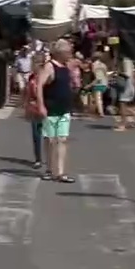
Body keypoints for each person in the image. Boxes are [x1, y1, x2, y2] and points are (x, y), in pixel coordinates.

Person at [34, 39, 76, 183]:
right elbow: (39, 86)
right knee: (51, 140)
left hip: (64, 108)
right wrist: (41, 105)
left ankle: (61, 172)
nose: (70, 54)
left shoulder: (66, 66)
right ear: (60, 53)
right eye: (68, 52)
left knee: (63, 139)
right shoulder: (49, 67)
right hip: (51, 108)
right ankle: (49, 169)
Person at [22, 50, 48, 169]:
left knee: (48, 135)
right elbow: (27, 92)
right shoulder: (31, 77)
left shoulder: (47, 75)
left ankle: (50, 158)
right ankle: (38, 159)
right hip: (34, 108)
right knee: (36, 135)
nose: (33, 65)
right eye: (33, 63)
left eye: (36, 63)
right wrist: (26, 106)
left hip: (46, 107)